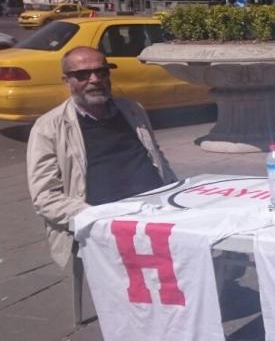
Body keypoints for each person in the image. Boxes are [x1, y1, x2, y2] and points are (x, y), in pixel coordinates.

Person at [27, 46, 176, 268]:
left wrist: (175, 193)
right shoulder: (49, 127)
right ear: (66, 80)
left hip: (158, 214)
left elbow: (156, 155)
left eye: (102, 71)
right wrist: (100, 215)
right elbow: (45, 198)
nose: (95, 80)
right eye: (82, 75)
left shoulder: (132, 110)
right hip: (103, 228)